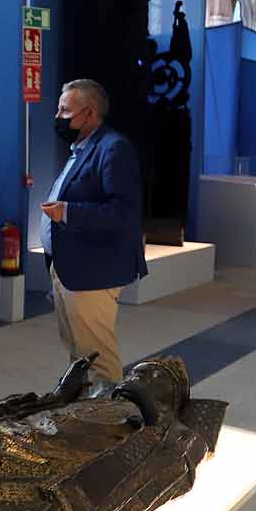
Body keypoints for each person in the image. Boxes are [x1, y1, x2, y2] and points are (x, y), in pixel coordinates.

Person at [39, 78, 147, 388]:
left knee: (98, 356)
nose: (58, 116)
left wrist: (67, 212)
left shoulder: (114, 149)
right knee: (79, 352)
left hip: (93, 272)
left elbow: (124, 212)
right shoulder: (82, 149)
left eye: (64, 110)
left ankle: (111, 421)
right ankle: (87, 413)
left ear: (88, 113)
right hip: (68, 267)